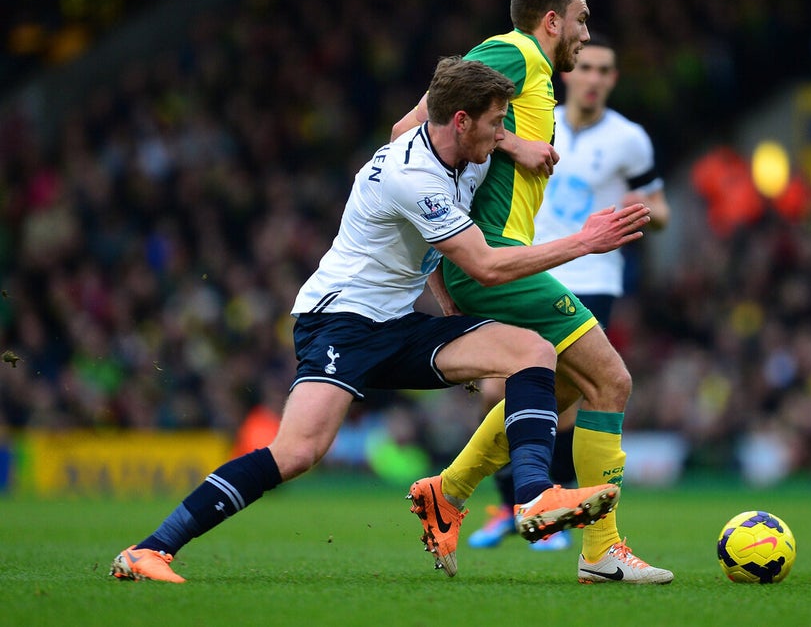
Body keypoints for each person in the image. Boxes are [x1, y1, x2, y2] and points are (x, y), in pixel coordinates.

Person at [109, 56, 652, 583]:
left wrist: (445, 295)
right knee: (298, 452)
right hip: (340, 320)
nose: (499, 134)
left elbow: (416, 137)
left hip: (397, 322)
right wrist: (585, 242)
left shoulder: (462, 147)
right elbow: (484, 265)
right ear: (460, 122)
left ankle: (534, 495)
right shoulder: (411, 174)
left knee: (532, 350)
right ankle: (148, 550)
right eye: (494, 124)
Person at [394, 0, 674, 584]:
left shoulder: (539, 76)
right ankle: (601, 552)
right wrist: (513, 145)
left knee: (571, 388)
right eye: (581, 21)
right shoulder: (510, 52)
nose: (585, 33)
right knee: (612, 380)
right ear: (552, 22)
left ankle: (449, 491)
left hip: (500, 255)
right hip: (488, 256)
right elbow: (407, 133)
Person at [467, 36, 671, 552]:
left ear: (613, 79)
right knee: (499, 388)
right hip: (534, 264)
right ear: (569, 75)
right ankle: (512, 503)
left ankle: (547, 503)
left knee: (570, 395)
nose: (595, 78)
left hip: (592, 276)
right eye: (587, 68)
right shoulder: (538, 120)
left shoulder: (630, 139)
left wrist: (641, 208)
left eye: (606, 70)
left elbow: (660, 207)